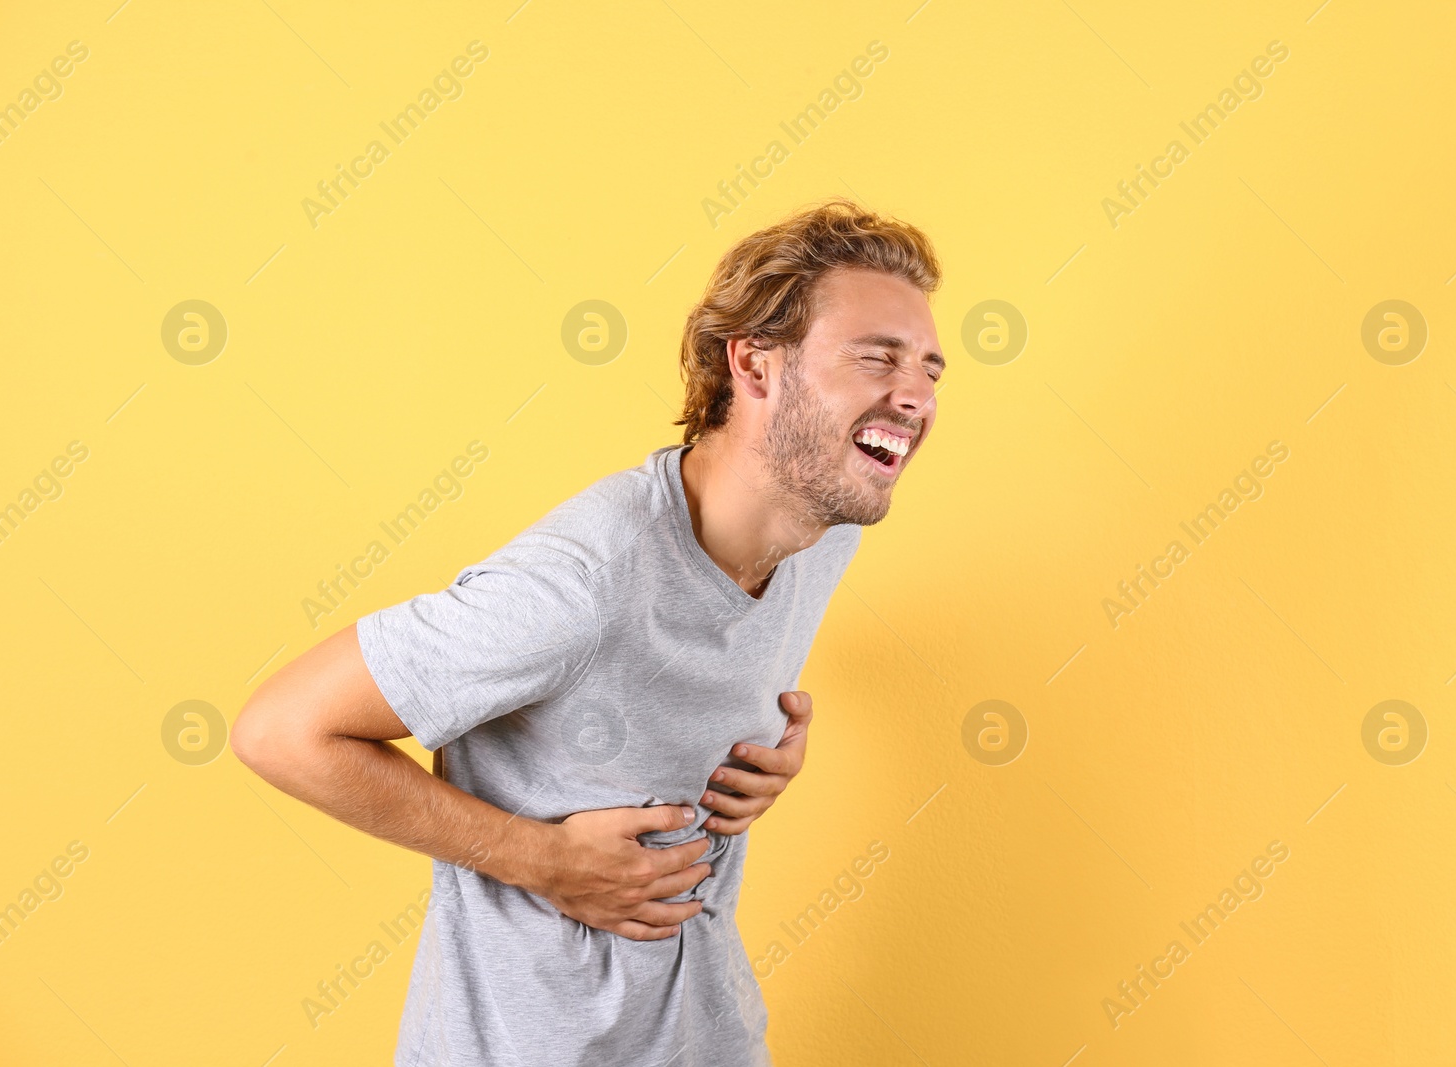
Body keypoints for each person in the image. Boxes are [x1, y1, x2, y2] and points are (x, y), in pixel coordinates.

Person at [232, 198, 946, 1066]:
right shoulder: (585, 576)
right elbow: (280, 730)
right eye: (878, 358)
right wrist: (540, 857)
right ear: (756, 365)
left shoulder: (821, 527)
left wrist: (761, 739)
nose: (914, 396)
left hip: (705, 1034)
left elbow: (681, 673)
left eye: (931, 370)